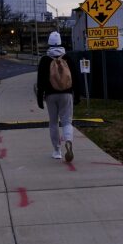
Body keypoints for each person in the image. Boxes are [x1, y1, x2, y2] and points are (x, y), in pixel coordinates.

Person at [36, 31, 80, 161]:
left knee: (53, 123)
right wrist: (77, 95)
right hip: (66, 94)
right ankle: (68, 141)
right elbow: (76, 78)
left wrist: (40, 97)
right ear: (60, 42)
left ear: (49, 43)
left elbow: (40, 81)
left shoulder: (45, 60)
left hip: (50, 95)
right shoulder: (68, 58)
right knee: (67, 122)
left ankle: (57, 151)